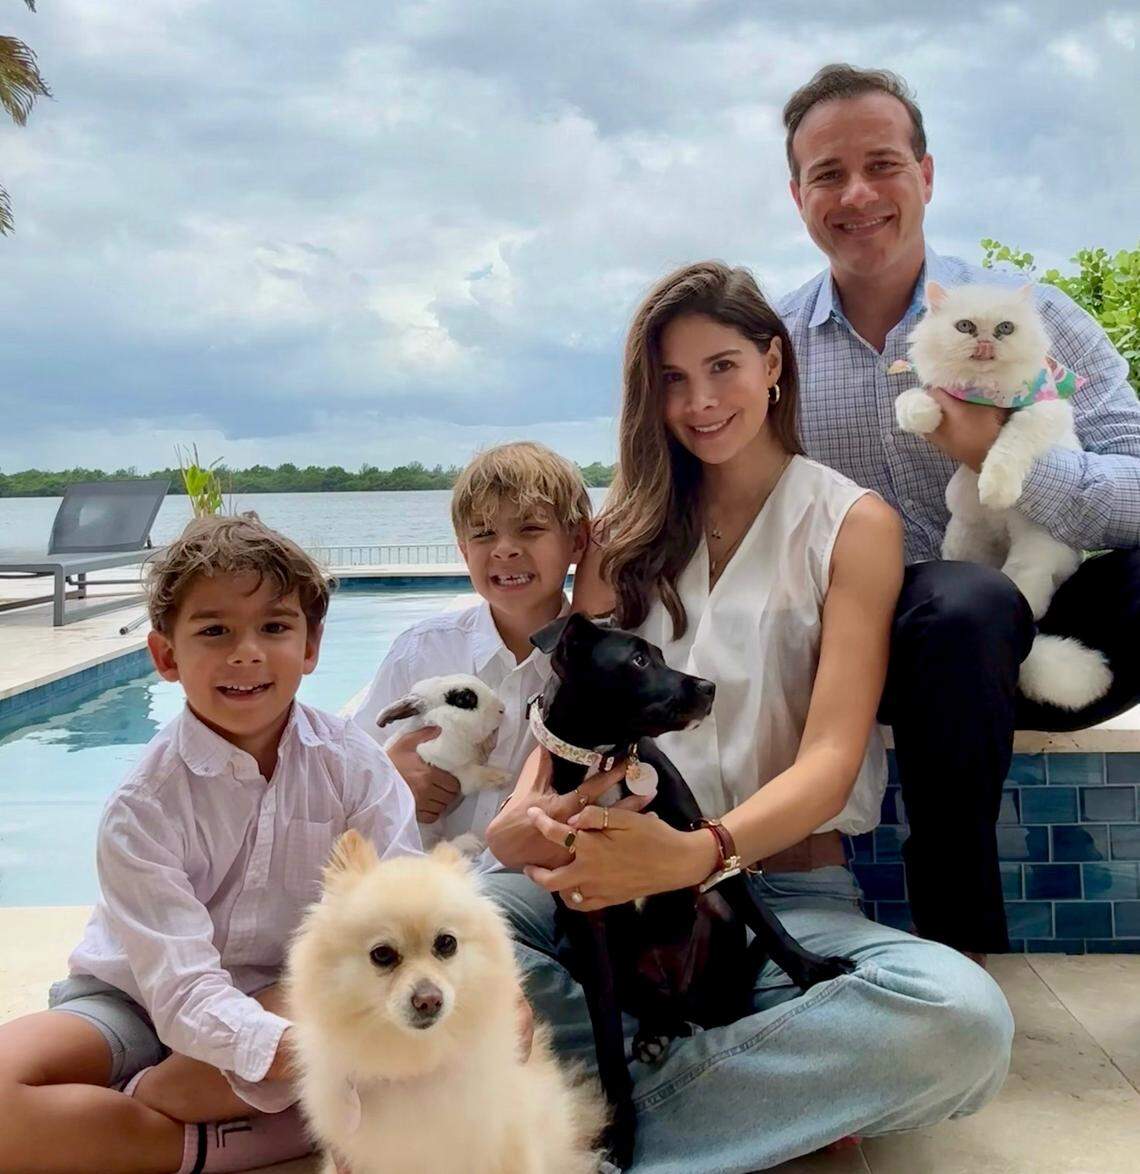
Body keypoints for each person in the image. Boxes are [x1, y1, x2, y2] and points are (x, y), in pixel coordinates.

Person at [483, 261, 1014, 1172]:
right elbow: (564, 714)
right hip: (599, 887)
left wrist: (702, 852)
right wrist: (523, 811)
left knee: (960, 1025)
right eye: (674, 380)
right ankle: (751, 1098)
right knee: (440, 939)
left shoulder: (853, 524)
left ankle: (600, 1120)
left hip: (782, 897)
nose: (700, 403)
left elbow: (833, 758)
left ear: (774, 362)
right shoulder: (624, 530)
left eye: (722, 366)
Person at [777, 64, 1140, 956]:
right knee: (962, 603)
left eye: (884, 164)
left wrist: (999, 454)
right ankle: (964, 952)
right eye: (828, 173)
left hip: (1055, 630)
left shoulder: (1031, 313)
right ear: (798, 196)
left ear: (927, 175)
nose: (857, 193)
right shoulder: (772, 345)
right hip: (889, 657)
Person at [0, 513, 421, 1174]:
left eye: (275, 628)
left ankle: (154, 1123)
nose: (246, 652)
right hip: (137, 1000)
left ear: (311, 647)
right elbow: (183, 993)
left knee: (389, 1024)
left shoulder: (356, 767)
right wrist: (308, 1056)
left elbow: (409, 904)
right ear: (166, 656)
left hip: (294, 993)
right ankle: (241, 1137)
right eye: (215, 630)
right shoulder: (143, 807)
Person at [353, 441, 594, 867]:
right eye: (483, 534)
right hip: (424, 887)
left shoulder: (598, 671)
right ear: (464, 551)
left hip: (535, 890)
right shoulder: (422, 652)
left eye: (530, 529)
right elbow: (348, 768)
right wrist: (392, 774)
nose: (504, 549)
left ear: (578, 540)